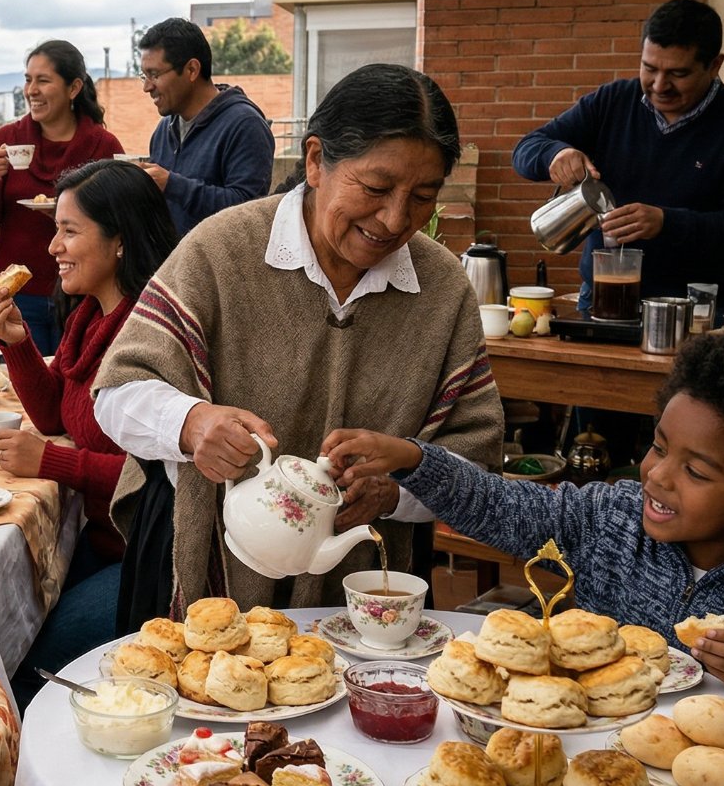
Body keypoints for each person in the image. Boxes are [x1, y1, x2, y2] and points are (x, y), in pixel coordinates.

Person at [324, 326, 724, 786]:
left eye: (697, 471)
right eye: (659, 447)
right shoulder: (611, 516)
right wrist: (415, 458)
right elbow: (505, 506)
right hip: (581, 775)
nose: (658, 475)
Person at [94, 63, 505, 624]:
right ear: (315, 161)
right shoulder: (223, 248)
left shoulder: (439, 288)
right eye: (377, 188)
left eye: (422, 197)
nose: (394, 219)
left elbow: (475, 457)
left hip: (362, 585)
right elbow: (116, 392)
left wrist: (396, 491)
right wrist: (191, 425)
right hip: (201, 559)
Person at [0, 160, 177, 706]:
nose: (52, 248)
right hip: (97, 539)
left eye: (69, 231)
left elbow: (165, 477)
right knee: (0, 619)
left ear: (119, 241)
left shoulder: (152, 336)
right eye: (54, 230)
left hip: (146, 559)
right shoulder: (90, 315)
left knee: (19, 665)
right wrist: (15, 342)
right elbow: (57, 420)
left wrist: (52, 464)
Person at [512, 0, 724, 321]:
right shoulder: (612, 101)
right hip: (600, 301)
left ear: (714, 65)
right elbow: (526, 148)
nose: (659, 85)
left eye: (678, 73)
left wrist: (667, 223)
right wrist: (555, 154)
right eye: (649, 68)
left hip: (693, 311)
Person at [0, 40, 125, 354]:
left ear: (74, 87)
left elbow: (120, 222)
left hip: (84, 294)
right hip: (15, 293)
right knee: (16, 393)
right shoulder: (7, 139)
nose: (31, 90)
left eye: (43, 80)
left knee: (78, 394)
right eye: (28, 80)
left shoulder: (103, 146)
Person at [135, 17, 277, 235]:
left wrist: (172, 185)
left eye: (154, 74)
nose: (147, 87)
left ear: (192, 70)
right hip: (170, 266)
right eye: (143, 76)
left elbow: (248, 212)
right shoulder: (164, 130)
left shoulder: (245, 125)